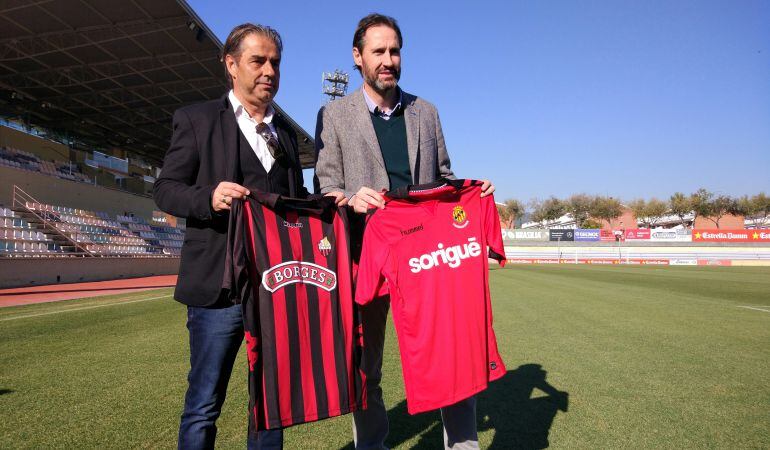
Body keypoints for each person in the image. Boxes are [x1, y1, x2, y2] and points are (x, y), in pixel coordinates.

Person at [314, 13, 494, 450]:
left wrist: (474, 189)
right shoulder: (334, 115)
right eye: (378, 51)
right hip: (367, 253)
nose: (388, 60)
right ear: (358, 58)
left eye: (394, 51)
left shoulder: (426, 112)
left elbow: (446, 177)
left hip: (429, 259)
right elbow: (326, 187)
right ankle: (371, 445)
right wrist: (350, 197)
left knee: (452, 355)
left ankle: (463, 445)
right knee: (366, 366)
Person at [154, 23, 319, 450]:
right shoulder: (196, 120)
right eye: (258, 61)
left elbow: (294, 205)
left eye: (275, 63)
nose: (269, 71)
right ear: (230, 65)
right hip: (218, 290)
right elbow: (165, 189)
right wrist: (209, 196)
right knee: (204, 404)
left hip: (275, 289)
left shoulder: (283, 133)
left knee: (270, 405)